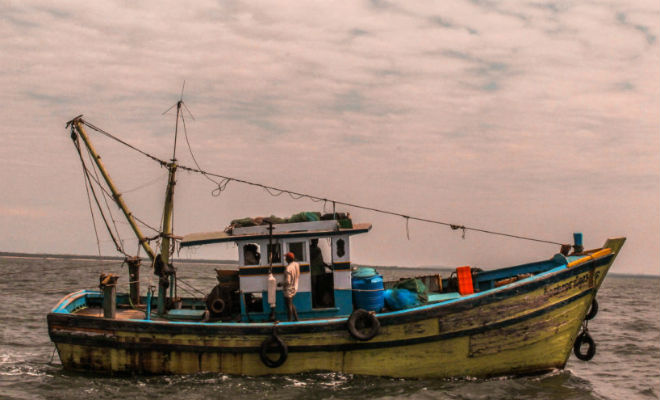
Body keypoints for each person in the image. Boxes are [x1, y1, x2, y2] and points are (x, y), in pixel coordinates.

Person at [279, 252, 300, 321]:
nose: (285, 259)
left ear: (288, 259)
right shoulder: (296, 265)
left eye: (286, 258)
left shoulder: (288, 268)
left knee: (289, 306)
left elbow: (287, 281)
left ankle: (289, 321)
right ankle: (296, 319)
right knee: (291, 304)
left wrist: (280, 284)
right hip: (295, 287)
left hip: (289, 289)